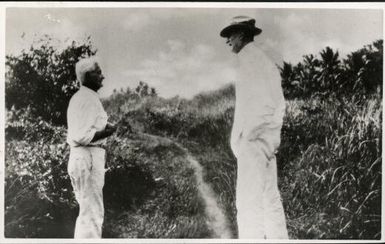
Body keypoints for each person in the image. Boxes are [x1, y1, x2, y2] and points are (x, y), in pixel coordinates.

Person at [220, 16, 288, 239]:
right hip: (267, 143)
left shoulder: (248, 61)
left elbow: (254, 106)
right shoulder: (264, 60)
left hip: (254, 143)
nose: (228, 41)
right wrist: (271, 137)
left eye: (231, 34)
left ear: (241, 34)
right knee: (271, 200)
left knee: (249, 203)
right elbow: (279, 105)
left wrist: (247, 136)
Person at [67, 57, 116, 238]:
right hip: (86, 158)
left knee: (89, 212)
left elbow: (87, 126)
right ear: (88, 76)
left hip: (85, 157)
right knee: (92, 214)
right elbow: (82, 135)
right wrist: (108, 132)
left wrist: (106, 127)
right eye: (99, 72)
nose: (102, 76)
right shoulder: (86, 99)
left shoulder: (85, 97)